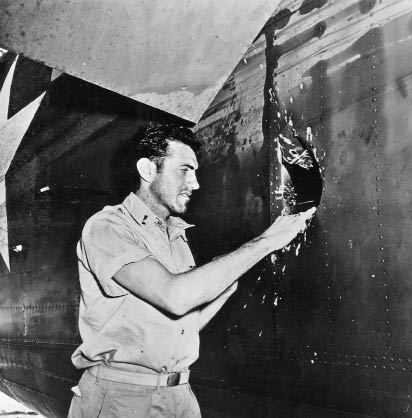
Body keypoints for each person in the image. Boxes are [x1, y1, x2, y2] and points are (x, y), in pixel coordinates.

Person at [68, 124, 316, 418]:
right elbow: (175, 297)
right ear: (148, 170)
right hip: (122, 399)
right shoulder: (107, 227)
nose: (195, 183)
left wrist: (226, 286)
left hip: (179, 395)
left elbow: (183, 325)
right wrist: (265, 243)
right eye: (184, 170)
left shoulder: (174, 234)